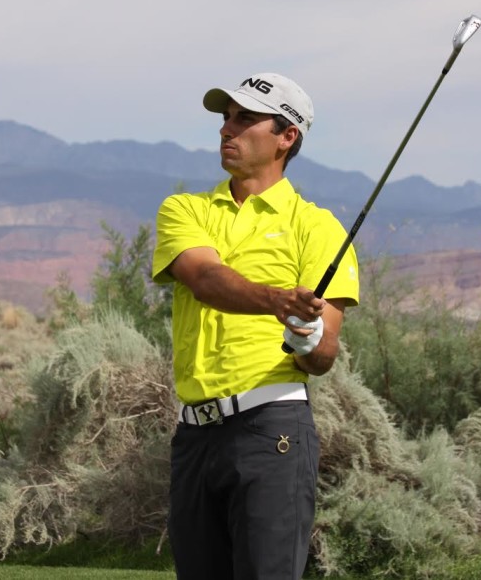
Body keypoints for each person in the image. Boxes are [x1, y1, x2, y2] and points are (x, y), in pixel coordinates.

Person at [152, 72, 359, 580]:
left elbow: (323, 356)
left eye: (246, 118)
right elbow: (205, 278)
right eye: (226, 118)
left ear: (287, 136)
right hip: (195, 435)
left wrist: (306, 337)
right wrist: (275, 301)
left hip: (273, 432)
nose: (228, 129)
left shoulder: (318, 228)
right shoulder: (186, 208)